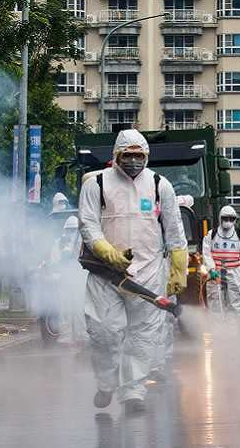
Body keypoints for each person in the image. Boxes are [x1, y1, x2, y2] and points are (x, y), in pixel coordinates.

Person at [78, 129, 188, 413]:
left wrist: (178, 269)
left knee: (142, 336)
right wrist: (108, 253)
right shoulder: (97, 184)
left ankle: (133, 394)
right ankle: (106, 382)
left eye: (139, 155)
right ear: (116, 155)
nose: (134, 161)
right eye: (128, 155)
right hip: (106, 273)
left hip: (149, 272)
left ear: (147, 156)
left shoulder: (160, 185)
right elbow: (88, 225)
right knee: (104, 332)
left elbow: (174, 231)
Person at [202, 205, 240, 315]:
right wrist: (211, 269)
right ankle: (217, 328)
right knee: (215, 302)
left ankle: (233, 329)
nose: (228, 221)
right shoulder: (211, 235)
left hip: (235, 271)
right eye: (225, 218)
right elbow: (206, 253)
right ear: (220, 218)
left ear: (235, 219)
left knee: (235, 302)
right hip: (215, 273)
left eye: (231, 219)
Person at [50, 215, 87, 346]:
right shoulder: (58, 243)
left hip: (78, 279)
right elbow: (54, 261)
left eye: (74, 230)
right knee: (65, 310)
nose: (72, 233)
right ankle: (66, 336)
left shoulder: (83, 243)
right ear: (65, 229)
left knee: (79, 309)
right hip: (64, 280)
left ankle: (81, 336)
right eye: (69, 230)